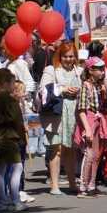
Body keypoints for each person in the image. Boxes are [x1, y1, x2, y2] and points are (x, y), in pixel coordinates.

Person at [37, 41, 82, 195]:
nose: (69, 59)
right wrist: (63, 89)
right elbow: (43, 89)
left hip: (74, 113)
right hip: (56, 114)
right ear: (59, 56)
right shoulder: (51, 70)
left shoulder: (80, 71)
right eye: (66, 56)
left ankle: (72, 183)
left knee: (70, 149)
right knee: (55, 149)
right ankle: (54, 185)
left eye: (72, 56)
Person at [0, 69, 26, 211]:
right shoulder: (9, 99)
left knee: (1, 168)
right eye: (12, 82)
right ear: (5, 83)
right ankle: (15, 199)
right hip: (9, 136)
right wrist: (21, 135)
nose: (13, 85)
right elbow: (15, 118)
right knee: (17, 167)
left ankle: (2, 198)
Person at [75, 57, 107, 197]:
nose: (103, 72)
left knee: (96, 155)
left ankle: (92, 185)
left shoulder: (98, 86)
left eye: (103, 69)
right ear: (90, 70)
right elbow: (82, 110)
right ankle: (82, 187)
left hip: (97, 119)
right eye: (100, 69)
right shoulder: (86, 86)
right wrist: (87, 128)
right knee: (89, 154)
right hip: (88, 120)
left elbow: (102, 105)